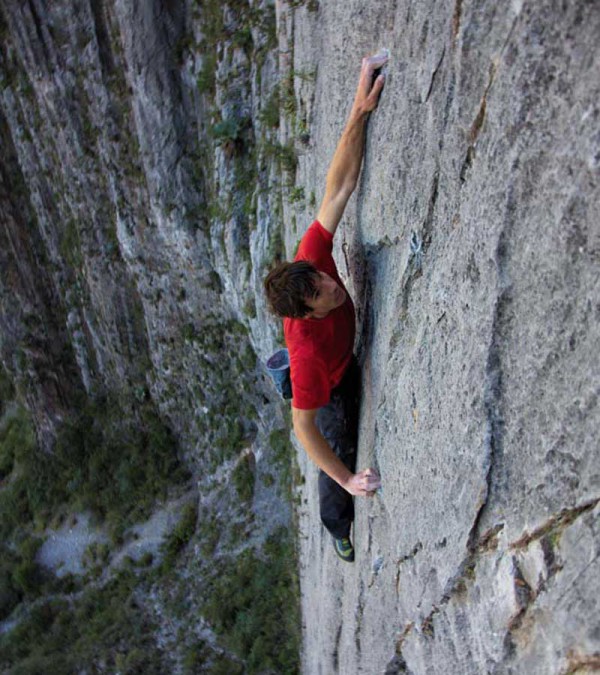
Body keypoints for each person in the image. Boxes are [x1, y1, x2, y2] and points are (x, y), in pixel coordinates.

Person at [264, 52, 388, 562]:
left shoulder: (310, 261)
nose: (329, 286)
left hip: (339, 357)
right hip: (328, 383)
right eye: (319, 294)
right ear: (307, 315)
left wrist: (358, 112)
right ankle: (337, 528)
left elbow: (338, 186)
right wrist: (349, 480)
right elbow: (304, 431)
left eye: (318, 280)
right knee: (338, 449)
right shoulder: (310, 351)